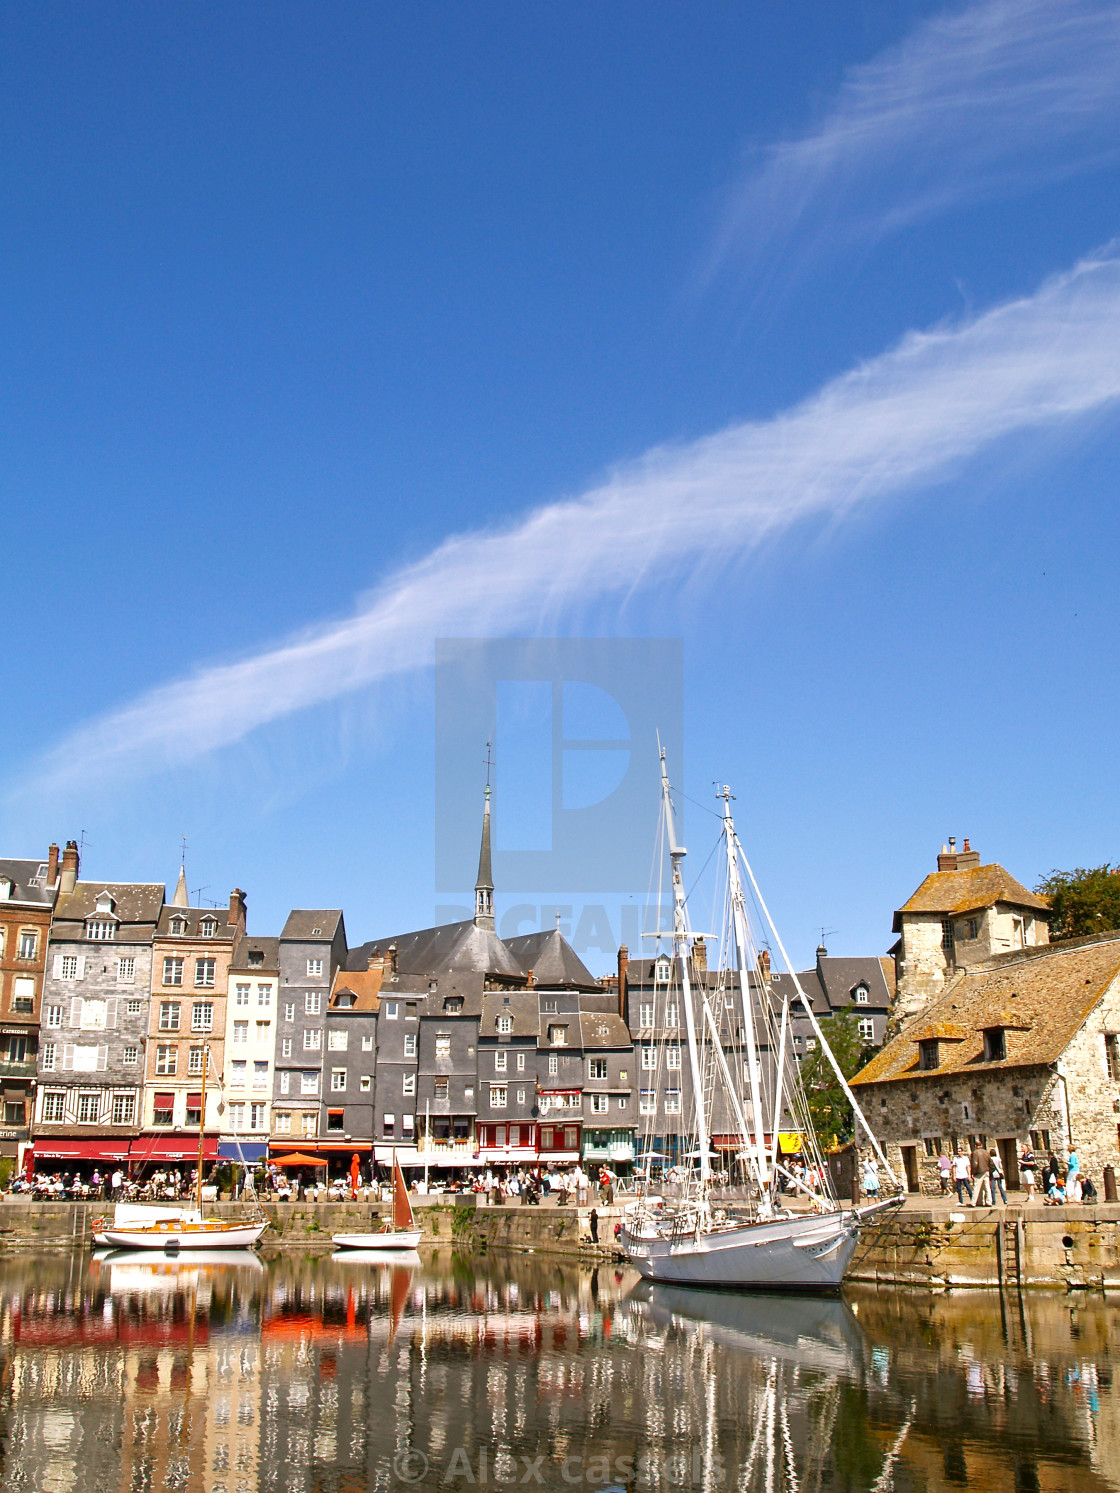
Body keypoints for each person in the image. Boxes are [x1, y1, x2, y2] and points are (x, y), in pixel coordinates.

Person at [970, 1142, 991, 1207]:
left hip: (979, 1171)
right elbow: (990, 1162)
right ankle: (989, 1202)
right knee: (987, 1187)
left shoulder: (975, 1153)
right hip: (986, 1171)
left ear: (975, 1146)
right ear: (981, 1145)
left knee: (976, 1187)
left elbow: (974, 1164)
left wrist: (973, 1173)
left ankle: (973, 1202)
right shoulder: (986, 1152)